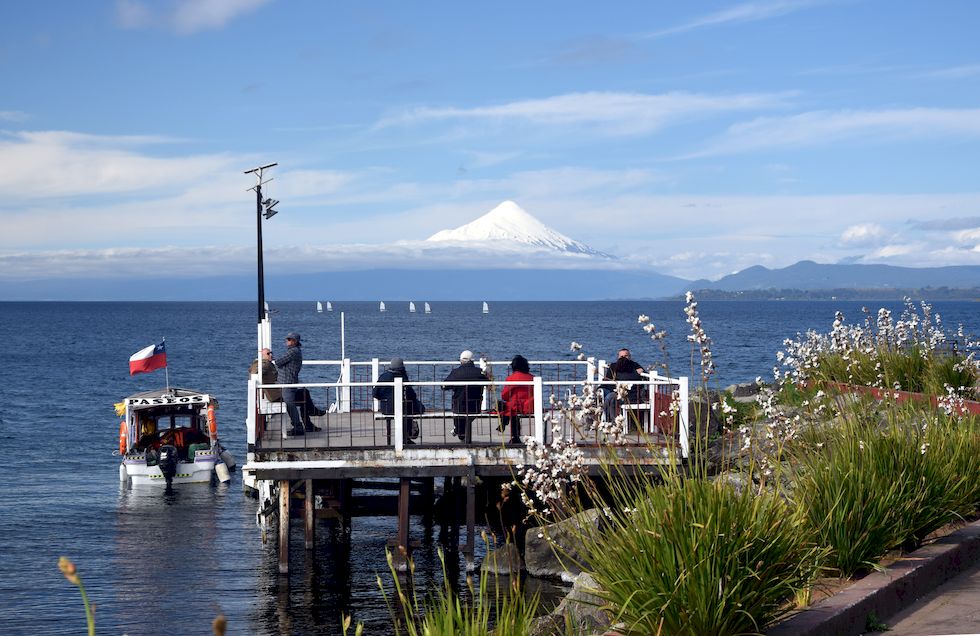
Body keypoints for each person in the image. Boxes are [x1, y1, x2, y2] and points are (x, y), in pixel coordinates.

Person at [263, 331, 320, 436]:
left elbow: (279, 362)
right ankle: (310, 418)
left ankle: (298, 427)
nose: (287, 341)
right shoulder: (295, 351)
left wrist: (269, 358)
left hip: (287, 383)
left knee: (290, 405)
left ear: (294, 341)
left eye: (289, 339)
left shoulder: (292, 352)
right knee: (302, 395)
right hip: (289, 382)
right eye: (287, 339)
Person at [372, 357, 425, 444]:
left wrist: (385, 399)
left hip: (386, 409)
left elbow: (375, 394)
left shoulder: (383, 377)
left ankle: (395, 440)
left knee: (405, 409)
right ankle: (406, 437)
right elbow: (411, 395)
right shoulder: (403, 377)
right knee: (409, 409)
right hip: (402, 408)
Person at [442, 350, 488, 442]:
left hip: (459, 406)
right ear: (472, 361)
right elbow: (489, 383)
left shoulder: (455, 373)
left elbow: (444, 386)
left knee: (460, 415)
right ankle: (460, 431)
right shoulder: (479, 372)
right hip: (475, 406)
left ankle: (459, 431)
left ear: (461, 361)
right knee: (466, 417)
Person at [602, 348, 646, 422]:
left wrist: (642, 371)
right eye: (621, 356)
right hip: (617, 392)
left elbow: (646, 377)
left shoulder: (635, 366)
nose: (623, 358)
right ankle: (610, 421)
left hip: (632, 394)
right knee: (609, 398)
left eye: (625, 356)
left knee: (610, 398)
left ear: (629, 356)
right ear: (618, 357)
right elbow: (607, 381)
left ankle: (616, 421)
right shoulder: (613, 367)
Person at [498, 354, 533, 444]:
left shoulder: (511, 378)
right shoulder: (531, 378)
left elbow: (504, 396)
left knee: (507, 409)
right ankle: (511, 432)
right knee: (511, 410)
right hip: (529, 406)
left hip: (515, 407)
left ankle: (513, 434)